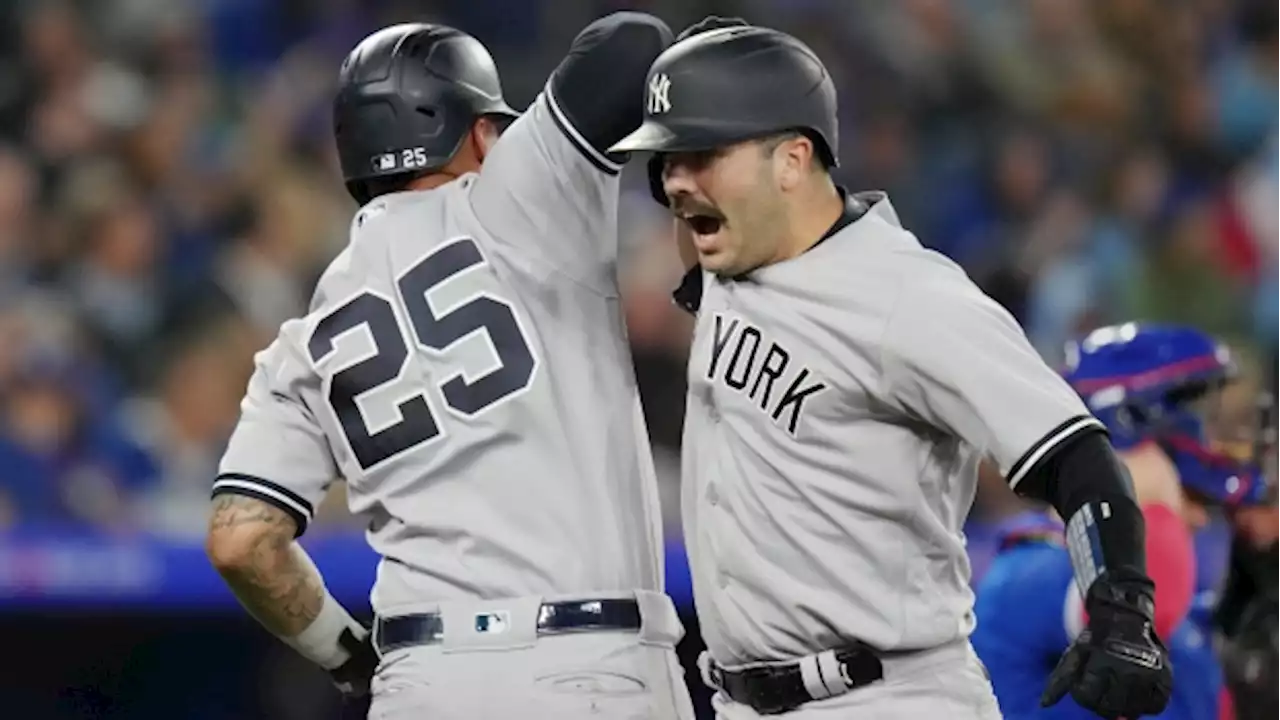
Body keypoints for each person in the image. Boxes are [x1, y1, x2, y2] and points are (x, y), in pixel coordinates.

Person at [611, 17, 1173, 720]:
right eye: (666, 161)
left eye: (700, 155)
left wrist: (1122, 611)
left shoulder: (909, 297)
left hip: (883, 697)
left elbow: (1076, 455)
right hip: (738, 700)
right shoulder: (732, 257)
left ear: (792, 159)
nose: (674, 183)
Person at [203, 17, 697, 720]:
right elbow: (633, 41)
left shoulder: (303, 338)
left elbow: (240, 539)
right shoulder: (524, 194)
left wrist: (347, 654)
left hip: (421, 682)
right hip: (585, 668)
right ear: (476, 133)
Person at [973, 322, 1273, 719]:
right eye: (1191, 498)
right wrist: (1150, 500)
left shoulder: (1180, 618)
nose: (1200, 518)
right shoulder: (1028, 572)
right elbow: (1136, 613)